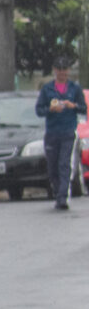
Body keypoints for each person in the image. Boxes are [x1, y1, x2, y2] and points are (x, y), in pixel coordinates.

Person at [35, 57, 85, 211]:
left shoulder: (75, 89)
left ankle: (62, 197)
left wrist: (73, 105)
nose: (62, 73)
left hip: (68, 132)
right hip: (52, 132)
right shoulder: (47, 89)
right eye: (59, 70)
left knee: (64, 164)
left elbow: (83, 108)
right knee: (53, 167)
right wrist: (50, 109)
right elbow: (39, 110)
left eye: (65, 70)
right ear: (54, 71)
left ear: (68, 71)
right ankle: (57, 192)